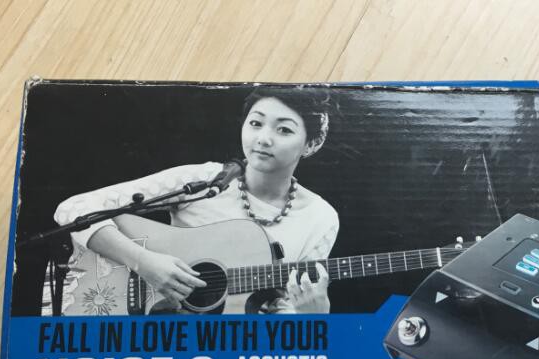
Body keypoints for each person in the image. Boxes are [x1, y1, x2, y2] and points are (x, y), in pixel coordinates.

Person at [53, 87, 339, 313]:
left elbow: (281, 310)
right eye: (256, 123)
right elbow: (73, 210)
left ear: (312, 143)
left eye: (284, 130)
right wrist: (144, 263)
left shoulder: (321, 218)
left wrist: (311, 316)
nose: (263, 138)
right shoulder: (204, 180)